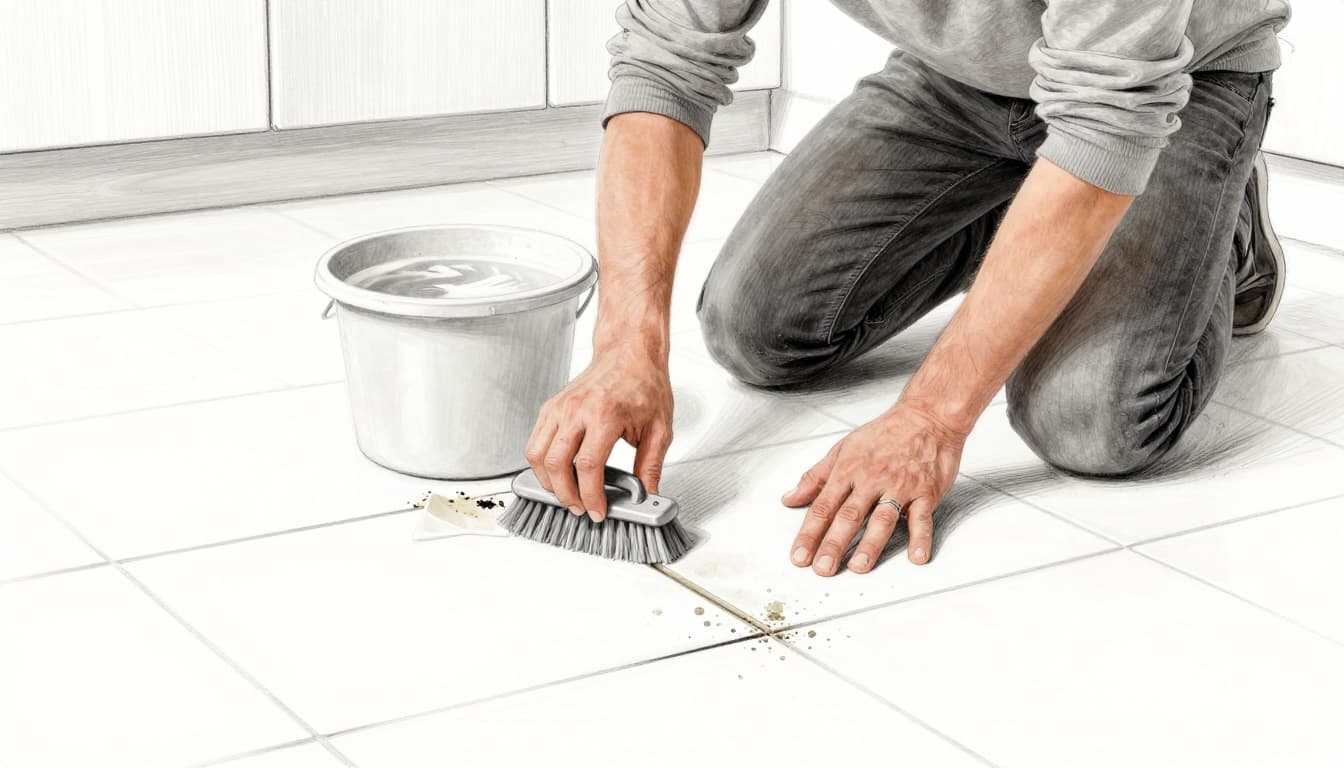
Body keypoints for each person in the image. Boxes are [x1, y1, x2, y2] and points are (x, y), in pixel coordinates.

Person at [523, 1, 1292, 577]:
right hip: (959, 82)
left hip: (1173, 85)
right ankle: (1036, 222)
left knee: (1088, 422)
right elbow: (665, 62)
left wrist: (930, 417)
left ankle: (1224, 234)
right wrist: (624, 347)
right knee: (754, 328)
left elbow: (1109, 119)